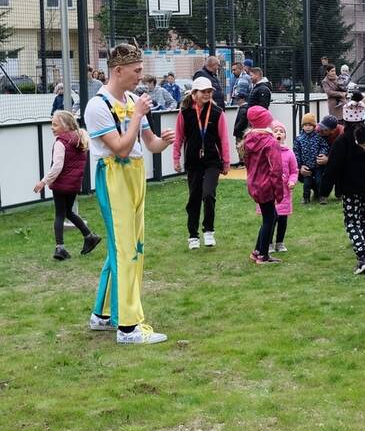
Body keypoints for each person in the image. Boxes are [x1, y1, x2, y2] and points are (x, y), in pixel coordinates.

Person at [85, 43, 175, 344]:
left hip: (135, 175)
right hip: (113, 176)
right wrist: (136, 115)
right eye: (136, 71)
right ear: (118, 70)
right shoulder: (97, 106)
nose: (140, 76)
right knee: (125, 250)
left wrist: (164, 142)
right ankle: (128, 328)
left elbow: (147, 144)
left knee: (130, 245)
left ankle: (102, 315)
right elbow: (121, 148)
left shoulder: (135, 99)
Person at [33, 110, 101, 261]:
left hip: (61, 184)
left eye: (55, 125)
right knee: (68, 212)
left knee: (59, 214)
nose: (52, 128)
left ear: (65, 126)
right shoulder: (79, 139)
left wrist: (43, 182)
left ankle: (60, 248)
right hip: (74, 183)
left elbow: (57, 166)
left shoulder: (61, 142)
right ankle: (90, 236)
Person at [173, 76, 230, 250]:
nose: (207, 94)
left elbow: (224, 139)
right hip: (193, 161)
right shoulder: (185, 113)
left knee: (208, 194)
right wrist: (176, 158)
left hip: (212, 161)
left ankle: (209, 231)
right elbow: (179, 137)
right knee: (194, 198)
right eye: (203, 91)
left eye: (209, 91)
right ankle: (192, 235)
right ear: (194, 93)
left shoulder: (217, 112)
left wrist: (226, 162)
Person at [321, 100, 365, 274]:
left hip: (351, 188)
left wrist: (324, 189)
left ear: (344, 120)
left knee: (352, 221)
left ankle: (362, 256)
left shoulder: (342, 141)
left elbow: (332, 167)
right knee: (362, 219)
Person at [242, 106, 284, 265]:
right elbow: (276, 168)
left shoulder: (249, 139)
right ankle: (263, 256)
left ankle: (257, 251)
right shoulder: (270, 142)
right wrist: (279, 191)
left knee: (271, 216)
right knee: (270, 218)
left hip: (254, 184)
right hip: (266, 185)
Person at [269, 121, 298, 253]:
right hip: (270, 191)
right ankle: (268, 242)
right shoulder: (268, 151)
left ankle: (280, 242)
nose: (279, 133)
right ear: (271, 135)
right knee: (270, 219)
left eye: (281, 131)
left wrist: (292, 181)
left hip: (285, 192)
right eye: (276, 131)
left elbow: (294, 171)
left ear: (285, 136)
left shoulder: (289, 153)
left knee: (282, 219)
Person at [294, 112, 329, 204]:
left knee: (319, 181)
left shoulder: (318, 137)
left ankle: (322, 196)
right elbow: (296, 152)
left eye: (310, 125)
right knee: (307, 184)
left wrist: (322, 153)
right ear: (302, 126)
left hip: (317, 165)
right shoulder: (299, 138)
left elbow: (324, 146)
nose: (307, 127)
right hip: (306, 166)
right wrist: (300, 165)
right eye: (305, 125)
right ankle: (306, 197)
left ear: (314, 126)